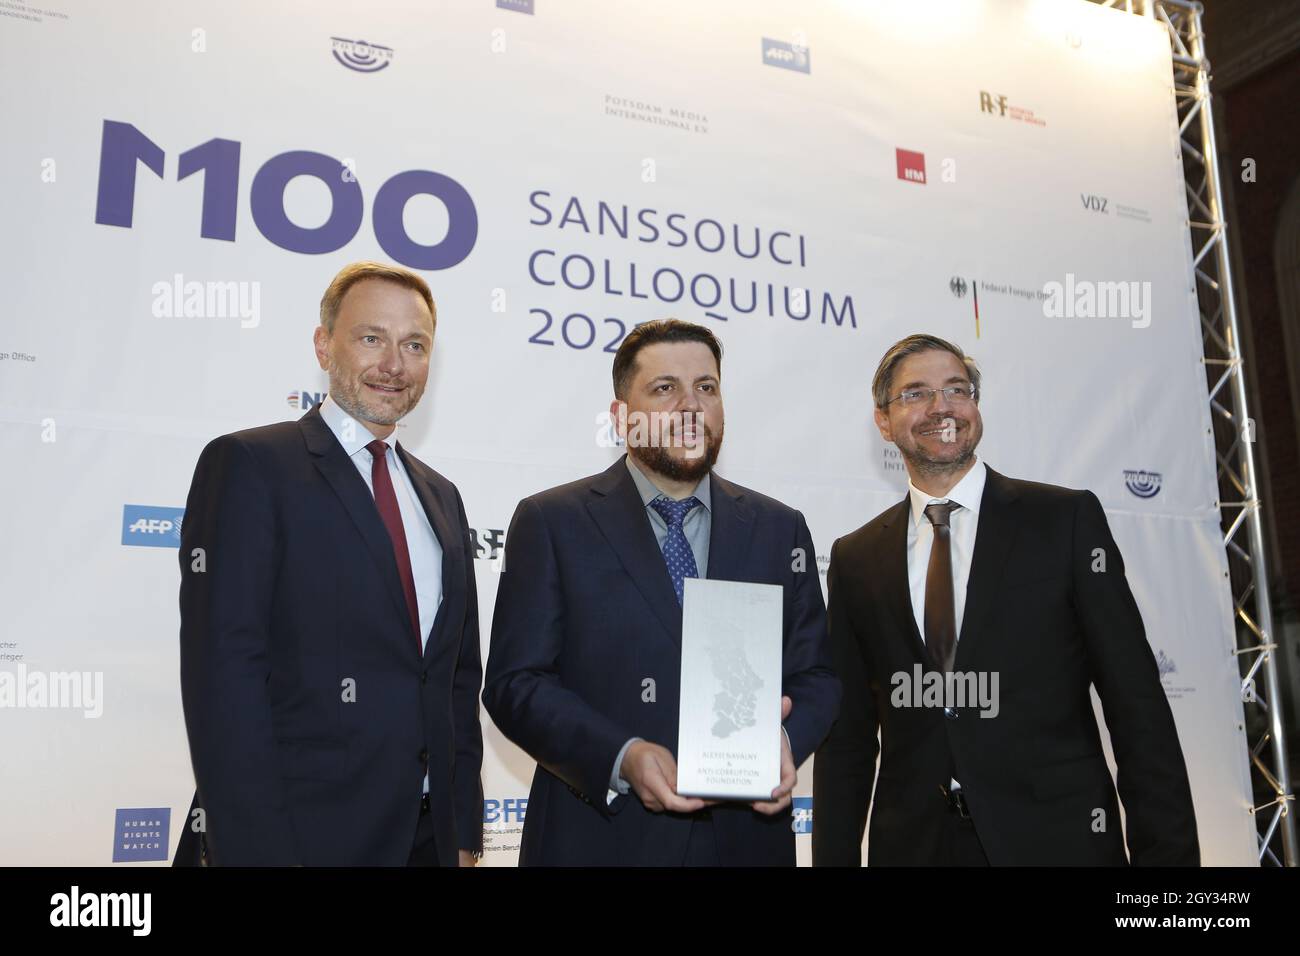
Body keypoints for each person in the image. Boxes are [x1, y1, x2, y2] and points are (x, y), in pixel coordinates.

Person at [812, 333, 1199, 866]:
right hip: (915, 849)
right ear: (883, 421)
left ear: (975, 406)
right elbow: (848, 742)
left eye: (957, 389)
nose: (941, 407)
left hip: (1059, 844)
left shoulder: (1064, 523)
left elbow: (1138, 711)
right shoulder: (854, 558)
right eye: (916, 393)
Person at [483, 319, 840, 865]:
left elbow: (816, 675)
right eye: (664, 388)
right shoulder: (552, 522)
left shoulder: (779, 529)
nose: (690, 406)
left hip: (748, 843)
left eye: (706, 387)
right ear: (621, 417)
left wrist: (786, 743)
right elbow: (516, 684)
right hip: (599, 840)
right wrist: (622, 757)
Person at [174, 261, 483, 866]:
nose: (393, 363)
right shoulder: (250, 466)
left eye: (414, 345)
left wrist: (464, 830)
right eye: (372, 338)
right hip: (296, 839)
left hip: (428, 840)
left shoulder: (442, 497)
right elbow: (223, 678)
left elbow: (455, 681)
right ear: (323, 345)